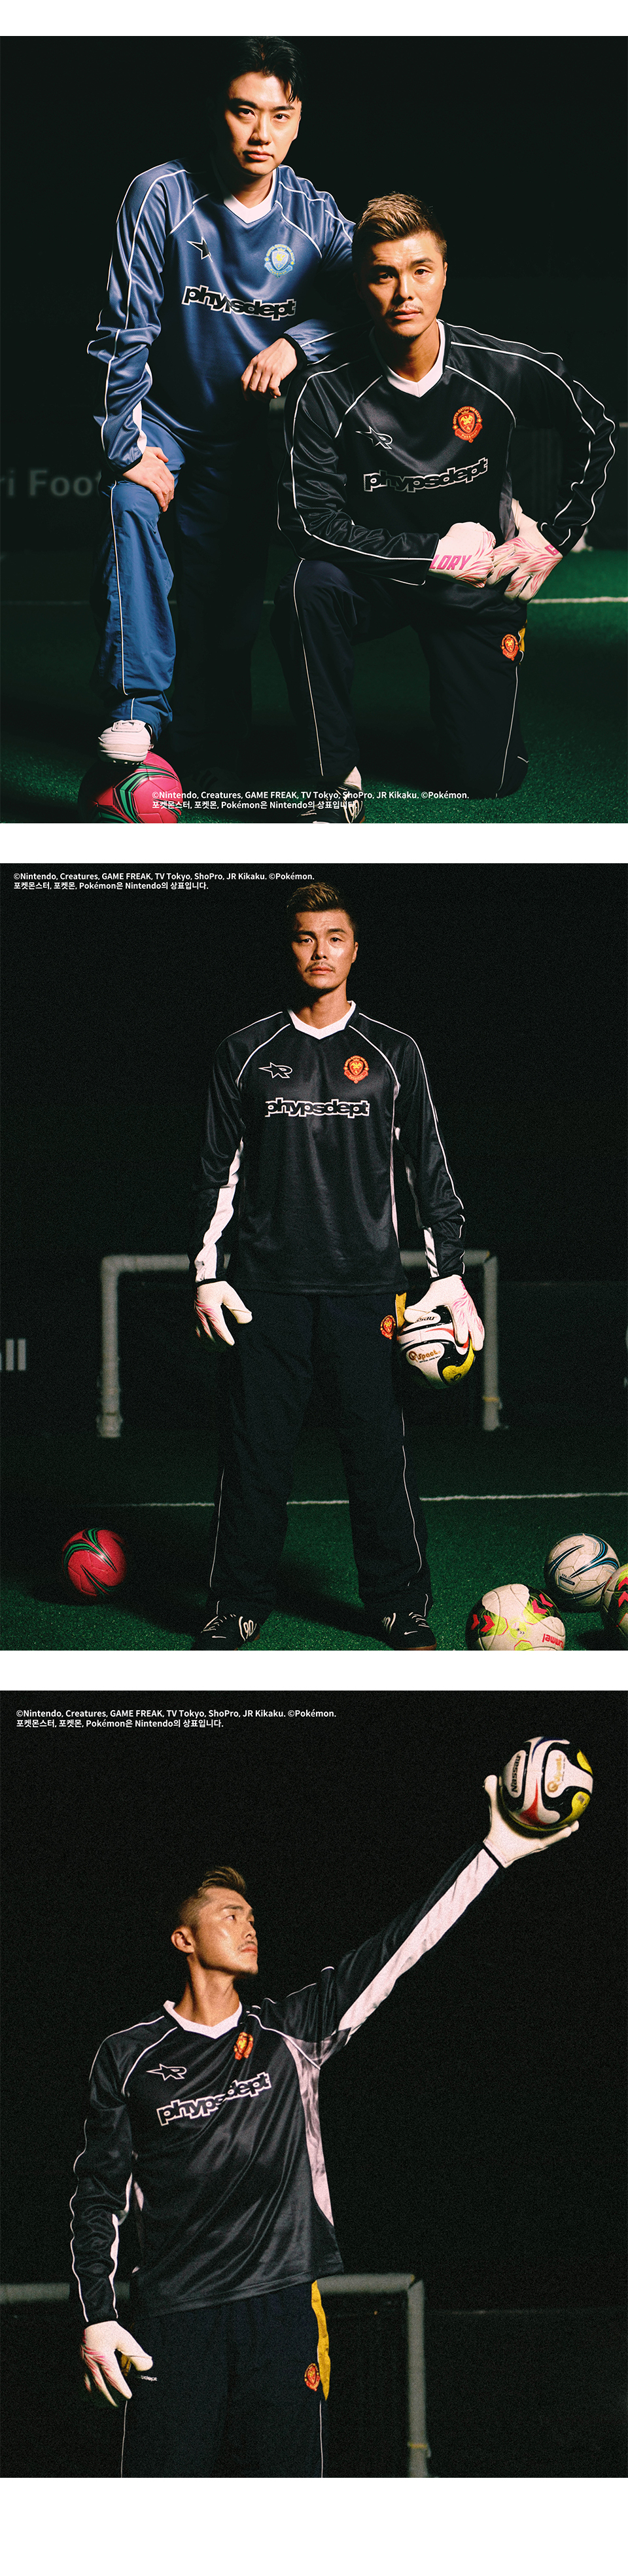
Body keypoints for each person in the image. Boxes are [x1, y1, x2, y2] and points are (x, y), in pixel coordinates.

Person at [72, 1787, 578, 2477]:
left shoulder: (292, 2034)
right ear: (184, 1939)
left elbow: (398, 1947)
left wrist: (493, 1854)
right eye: (229, 1915)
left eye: (252, 1916)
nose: (249, 1927)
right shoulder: (128, 2057)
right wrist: (96, 2315)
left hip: (282, 2311)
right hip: (174, 2320)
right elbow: (98, 2195)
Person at [190, 879, 484, 1651]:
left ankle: (399, 1605)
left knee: (378, 1456)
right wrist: (207, 1274)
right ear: (288, 949)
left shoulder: (393, 1053)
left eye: (335, 937)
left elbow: (429, 1170)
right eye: (304, 938)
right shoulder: (245, 1052)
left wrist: (448, 1272)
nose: (319, 952)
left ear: (355, 949)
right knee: (254, 1456)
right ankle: (234, 1603)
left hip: (367, 1291)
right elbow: (217, 1174)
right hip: (265, 1291)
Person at [271, 191, 615, 819]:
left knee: (487, 779)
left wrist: (554, 537)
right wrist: (432, 554)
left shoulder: (501, 369)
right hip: (378, 576)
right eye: (384, 275)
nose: (405, 292)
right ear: (360, 284)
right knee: (307, 586)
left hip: (476, 582)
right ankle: (333, 776)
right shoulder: (323, 390)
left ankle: (459, 718)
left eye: (420, 271)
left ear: (445, 275)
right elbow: (309, 523)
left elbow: (595, 430)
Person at [88, 39, 353, 794]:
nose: (262, 133)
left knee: (225, 605)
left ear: (298, 121)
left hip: (241, 442)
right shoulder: (160, 196)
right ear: (216, 113)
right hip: (162, 420)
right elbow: (123, 332)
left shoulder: (314, 216)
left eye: (280, 115)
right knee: (128, 502)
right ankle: (136, 710)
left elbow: (372, 302)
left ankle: (211, 746)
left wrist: (297, 343)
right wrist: (126, 444)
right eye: (244, 112)